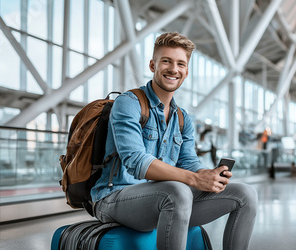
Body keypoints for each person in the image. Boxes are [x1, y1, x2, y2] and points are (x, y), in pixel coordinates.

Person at [90, 32, 258, 249]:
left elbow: (188, 161)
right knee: (177, 192)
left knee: (246, 194)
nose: (173, 69)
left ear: (186, 72)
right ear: (153, 65)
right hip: (115, 198)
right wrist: (195, 180)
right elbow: (136, 162)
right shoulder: (128, 103)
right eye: (166, 61)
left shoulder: (182, 118)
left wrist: (208, 175)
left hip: (162, 199)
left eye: (181, 64)